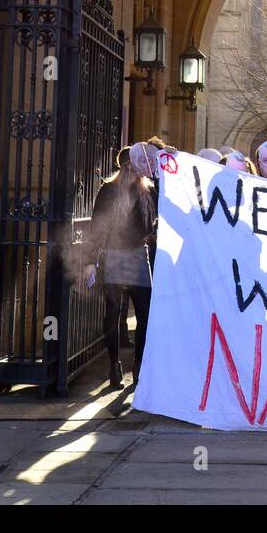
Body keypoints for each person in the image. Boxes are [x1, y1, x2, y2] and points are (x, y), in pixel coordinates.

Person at [89, 145, 158, 388]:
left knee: (144, 315)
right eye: (142, 164)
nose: (146, 169)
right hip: (119, 256)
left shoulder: (148, 191)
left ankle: (136, 366)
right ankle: (115, 366)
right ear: (129, 165)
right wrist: (89, 261)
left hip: (137, 255)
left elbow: (153, 224)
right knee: (115, 315)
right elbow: (97, 227)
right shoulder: (110, 190)